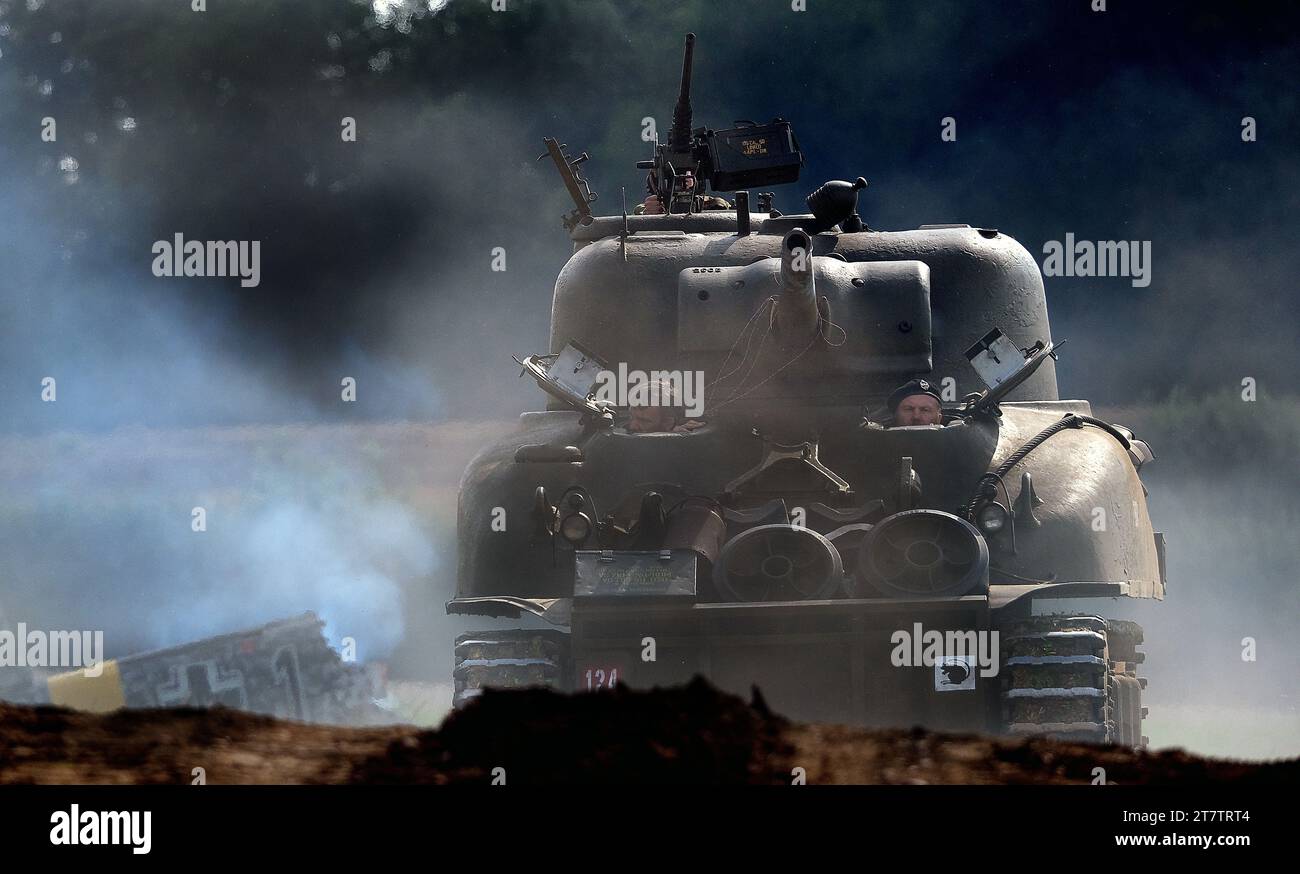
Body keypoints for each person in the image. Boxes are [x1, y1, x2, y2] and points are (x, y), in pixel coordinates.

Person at [634, 169, 732, 215]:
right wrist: (649, 214)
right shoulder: (650, 207)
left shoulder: (710, 204)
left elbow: (726, 209)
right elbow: (639, 211)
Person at [625, 379, 707, 433]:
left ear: (667, 422)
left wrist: (672, 433)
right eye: (631, 417)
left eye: (644, 421)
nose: (632, 426)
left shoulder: (670, 425)